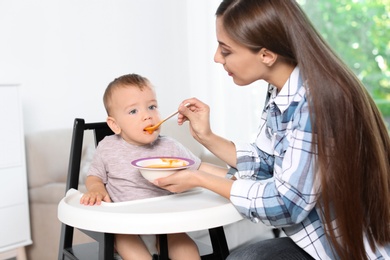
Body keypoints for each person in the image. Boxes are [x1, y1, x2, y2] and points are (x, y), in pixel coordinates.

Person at [153, 0, 390, 259]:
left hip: (343, 250)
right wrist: (205, 137)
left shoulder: (315, 104)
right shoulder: (284, 90)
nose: (216, 57)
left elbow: (286, 204)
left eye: (226, 50)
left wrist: (200, 179)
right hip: (314, 241)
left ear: (266, 55)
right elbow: (268, 164)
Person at [79, 73, 226, 260]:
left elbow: (200, 168)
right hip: (125, 223)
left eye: (152, 107)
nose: (147, 116)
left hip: (164, 221)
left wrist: (232, 176)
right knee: (131, 248)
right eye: (133, 111)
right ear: (115, 125)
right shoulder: (108, 147)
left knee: (186, 248)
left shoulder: (169, 146)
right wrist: (96, 189)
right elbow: (94, 176)